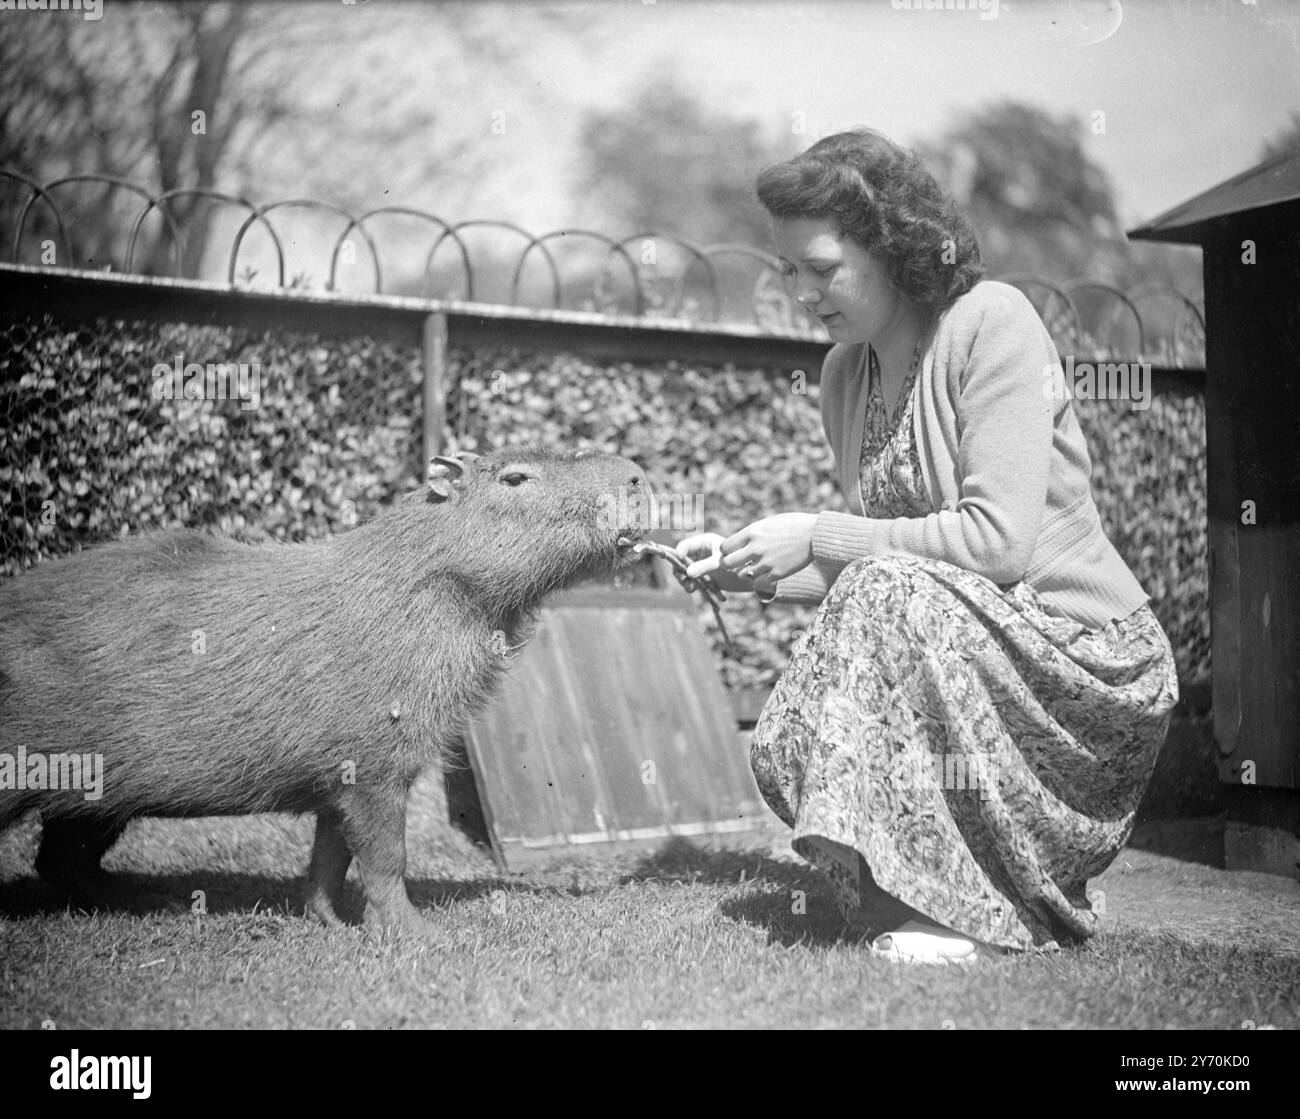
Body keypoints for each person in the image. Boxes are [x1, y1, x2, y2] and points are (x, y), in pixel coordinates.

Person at [675, 128, 1179, 963]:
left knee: (885, 594)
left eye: (822, 267)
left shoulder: (993, 323)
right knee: (856, 635)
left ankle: (964, 918)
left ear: (890, 245)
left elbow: (995, 545)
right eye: (788, 270)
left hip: (1089, 664)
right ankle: (922, 895)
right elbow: (884, 574)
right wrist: (757, 571)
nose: (801, 293)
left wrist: (814, 534)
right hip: (974, 645)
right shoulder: (844, 376)